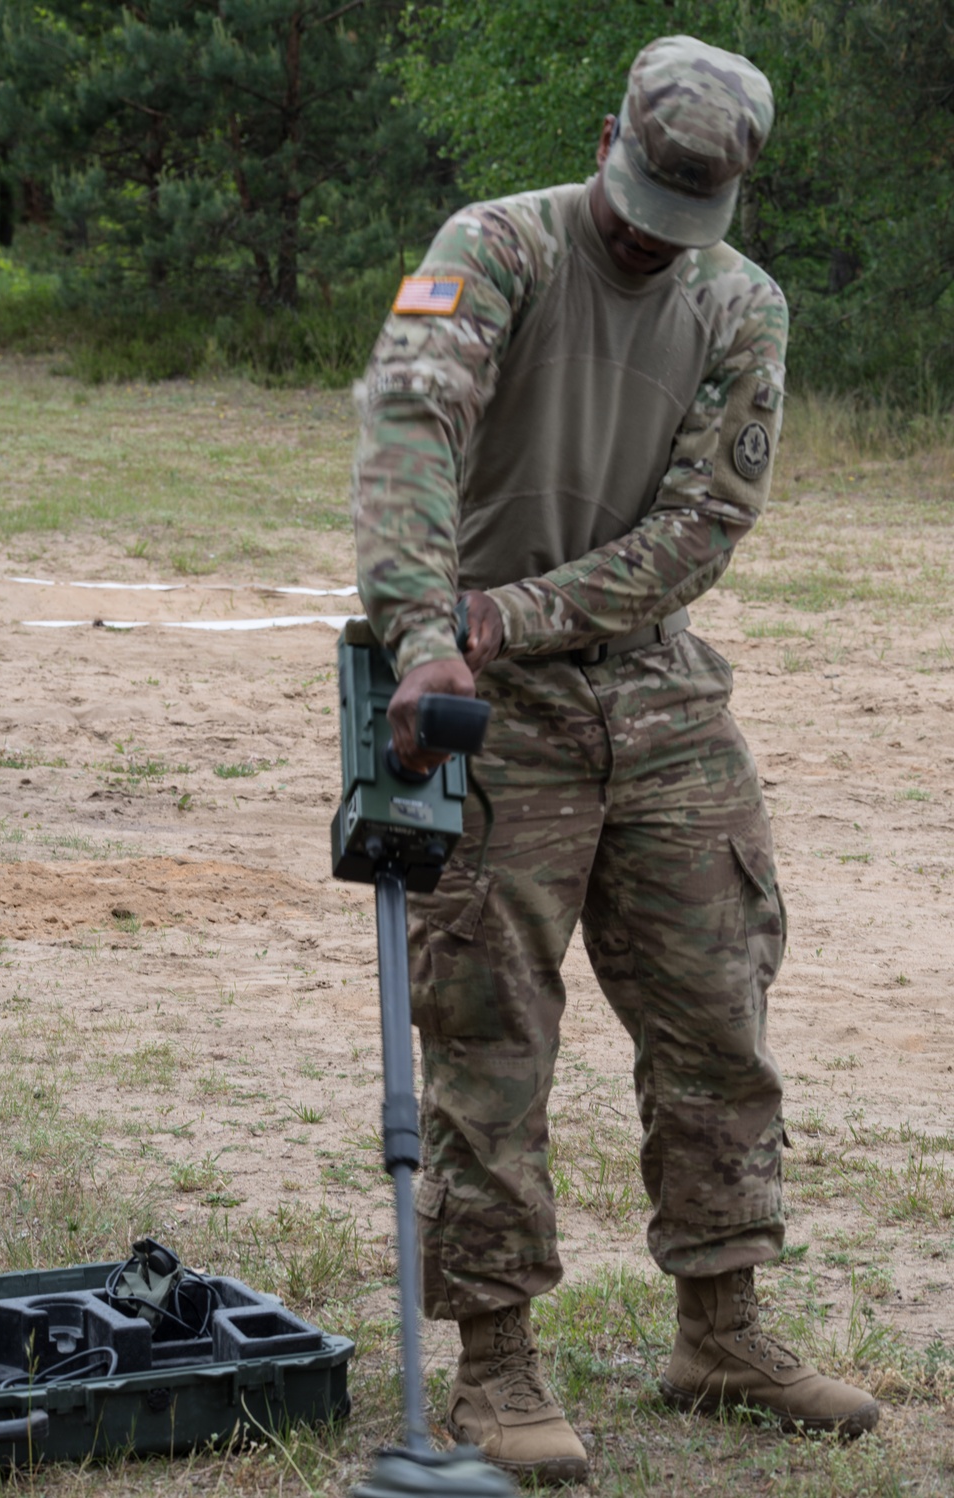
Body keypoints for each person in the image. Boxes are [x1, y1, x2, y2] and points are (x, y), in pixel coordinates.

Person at [352, 34, 879, 1485]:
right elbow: (408, 429)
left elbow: (702, 528)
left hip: (651, 691)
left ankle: (723, 1322)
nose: (656, 235)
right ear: (606, 140)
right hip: (473, 699)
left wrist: (501, 614)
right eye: (644, 194)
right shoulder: (495, 250)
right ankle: (497, 1361)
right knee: (488, 1022)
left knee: (720, 1000)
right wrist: (421, 637)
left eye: (689, 211)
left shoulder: (740, 305)